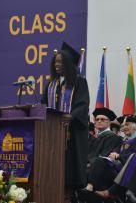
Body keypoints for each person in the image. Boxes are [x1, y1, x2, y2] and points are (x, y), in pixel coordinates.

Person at [41, 42, 90, 189]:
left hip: (72, 131)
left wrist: (71, 116)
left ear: (68, 64)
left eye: (61, 62)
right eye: (55, 61)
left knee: (70, 166)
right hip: (52, 131)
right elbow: (44, 104)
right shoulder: (51, 84)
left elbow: (83, 104)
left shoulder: (79, 82)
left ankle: (71, 190)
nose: (57, 64)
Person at [81, 114, 136, 197]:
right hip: (117, 168)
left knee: (98, 171)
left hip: (127, 172)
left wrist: (119, 156)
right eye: (123, 125)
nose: (124, 128)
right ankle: (89, 187)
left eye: (127, 125)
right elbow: (115, 153)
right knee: (98, 162)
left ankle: (97, 190)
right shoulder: (124, 139)